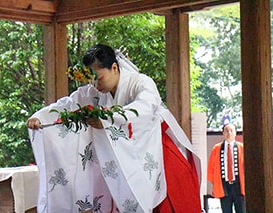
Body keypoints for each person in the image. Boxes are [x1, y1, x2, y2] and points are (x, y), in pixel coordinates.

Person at [27, 44, 201, 213]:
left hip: (157, 152)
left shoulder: (141, 83)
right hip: (118, 158)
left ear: (114, 67)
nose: (95, 84)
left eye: (99, 78)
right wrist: (40, 116)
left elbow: (145, 107)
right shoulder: (93, 92)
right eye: (91, 80)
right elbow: (69, 103)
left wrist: (108, 119)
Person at [207, 123, 245, 213]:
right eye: (226, 131)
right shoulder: (217, 148)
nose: (229, 133)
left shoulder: (242, 147)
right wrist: (214, 184)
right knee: (226, 210)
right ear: (223, 133)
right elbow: (211, 168)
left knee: (242, 210)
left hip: (238, 185)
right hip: (224, 185)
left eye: (231, 130)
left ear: (235, 133)